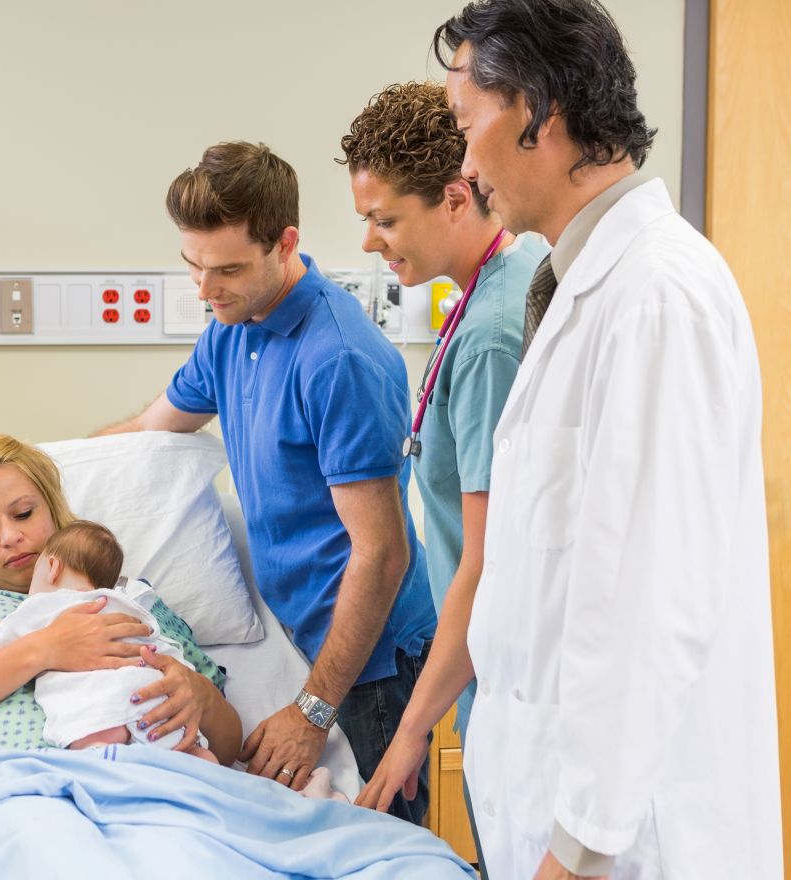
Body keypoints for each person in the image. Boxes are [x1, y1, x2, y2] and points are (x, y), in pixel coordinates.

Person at [435, 2, 782, 879]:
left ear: (537, 114)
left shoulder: (656, 295)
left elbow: (648, 603)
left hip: (622, 843)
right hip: (557, 818)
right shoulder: (575, 284)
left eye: (467, 128)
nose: (464, 163)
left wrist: (577, 849)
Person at [95, 141, 436, 824]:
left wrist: (313, 709)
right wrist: (34, 475)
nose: (205, 288)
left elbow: (382, 552)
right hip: (295, 639)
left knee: (383, 852)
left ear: (285, 244)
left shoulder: (336, 357)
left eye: (227, 269)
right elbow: (152, 427)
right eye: (193, 265)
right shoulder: (229, 328)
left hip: (373, 666)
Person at [338, 81, 547, 873]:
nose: (369, 242)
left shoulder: (492, 335)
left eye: (384, 219)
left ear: (457, 198)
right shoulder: (505, 275)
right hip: (488, 661)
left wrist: (410, 733)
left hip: (498, 666)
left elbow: (484, 561)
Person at [0, 432, 242, 778]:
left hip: (157, 786)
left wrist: (195, 692)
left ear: (53, 510)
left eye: (24, 513)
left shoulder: (129, 599)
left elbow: (226, 746)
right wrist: (45, 648)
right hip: (9, 799)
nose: (11, 536)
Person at [0, 519, 222, 762]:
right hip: (153, 701)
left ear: (52, 567)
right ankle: (201, 757)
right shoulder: (128, 606)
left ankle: (103, 756)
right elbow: (167, 653)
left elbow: (3, 646)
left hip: (100, 710)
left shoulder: (44, 605)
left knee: (91, 742)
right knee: (189, 751)